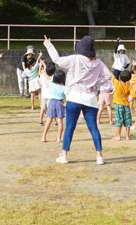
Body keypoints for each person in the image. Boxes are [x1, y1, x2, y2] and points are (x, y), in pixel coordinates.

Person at [44, 35, 113, 165]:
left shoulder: (75, 59)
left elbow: (57, 59)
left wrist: (48, 44)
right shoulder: (97, 62)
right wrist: (96, 84)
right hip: (90, 99)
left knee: (70, 127)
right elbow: (108, 75)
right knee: (93, 128)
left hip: (74, 97)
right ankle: (99, 156)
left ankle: (64, 155)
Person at [42, 68, 66, 143]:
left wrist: (43, 72)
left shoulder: (52, 84)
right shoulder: (64, 87)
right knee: (60, 121)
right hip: (60, 102)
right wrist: (66, 103)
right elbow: (67, 96)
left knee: (49, 120)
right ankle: (59, 138)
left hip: (52, 102)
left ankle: (43, 137)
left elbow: (48, 78)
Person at [112, 69, 135, 141]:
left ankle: (118, 136)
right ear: (129, 78)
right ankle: (127, 136)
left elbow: (112, 76)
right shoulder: (129, 86)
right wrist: (131, 99)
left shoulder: (117, 83)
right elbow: (133, 95)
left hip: (119, 105)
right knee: (127, 120)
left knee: (119, 120)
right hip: (126, 105)